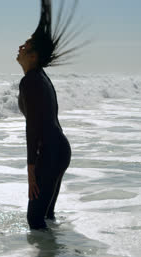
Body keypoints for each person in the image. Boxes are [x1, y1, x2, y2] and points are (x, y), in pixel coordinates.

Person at [16, 0, 86, 229]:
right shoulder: (41, 77)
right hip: (59, 150)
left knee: (35, 221)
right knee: (46, 217)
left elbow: (33, 126)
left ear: (34, 56)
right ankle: (59, 255)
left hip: (51, 154)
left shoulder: (31, 81)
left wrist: (31, 168)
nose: (20, 48)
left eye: (26, 47)